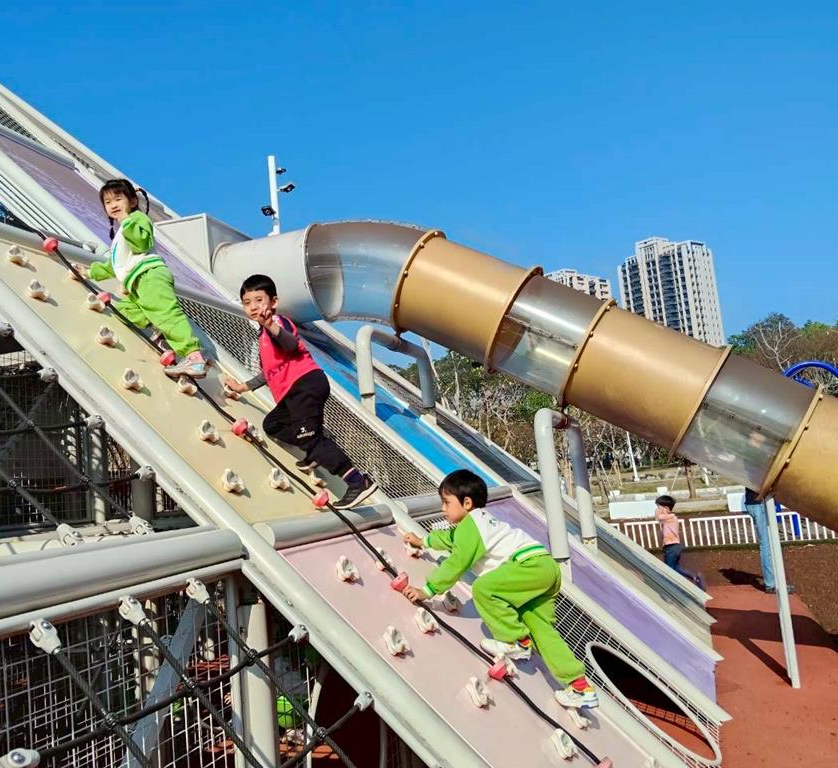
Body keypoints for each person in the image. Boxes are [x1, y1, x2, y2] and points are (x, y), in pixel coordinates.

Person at [402, 469, 599, 709]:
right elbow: (448, 539)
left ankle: (515, 641)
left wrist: (428, 590)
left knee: (484, 588)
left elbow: (457, 562)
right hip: (545, 568)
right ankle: (580, 686)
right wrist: (422, 541)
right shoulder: (479, 522)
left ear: (467, 503)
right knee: (541, 629)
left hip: (528, 566)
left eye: (446, 502)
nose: (443, 509)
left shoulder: (470, 526)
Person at [223, 274, 377, 510]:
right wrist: (243, 387)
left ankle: (358, 481)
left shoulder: (278, 323)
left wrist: (270, 325)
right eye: (247, 302)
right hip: (291, 393)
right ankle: (314, 450)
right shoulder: (264, 335)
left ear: (273, 302)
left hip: (304, 384)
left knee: (309, 437)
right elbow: (269, 372)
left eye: (259, 300)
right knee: (273, 425)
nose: (253, 306)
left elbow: (291, 344)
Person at [75, 179, 206, 379]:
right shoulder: (122, 231)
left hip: (149, 275)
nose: (113, 205)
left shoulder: (137, 219)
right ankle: (160, 330)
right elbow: (115, 265)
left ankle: (193, 356)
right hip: (137, 283)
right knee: (124, 311)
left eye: (118, 199)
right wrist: (89, 272)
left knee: (166, 314)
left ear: (133, 201)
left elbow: (141, 244)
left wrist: (126, 220)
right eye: (108, 202)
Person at [744, 488, 795, 594]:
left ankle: (774, 582)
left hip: (756, 504)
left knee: (768, 544)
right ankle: (771, 584)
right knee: (766, 545)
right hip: (758, 505)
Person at [655, 495, 703, 588]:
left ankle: (673, 588)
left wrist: (659, 510)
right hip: (673, 546)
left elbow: (658, 518)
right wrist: (661, 508)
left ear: (666, 508)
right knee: (676, 568)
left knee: (669, 570)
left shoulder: (669, 517)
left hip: (672, 546)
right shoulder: (669, 517)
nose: (657, 510)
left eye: (658, 507)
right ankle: (695, 577)